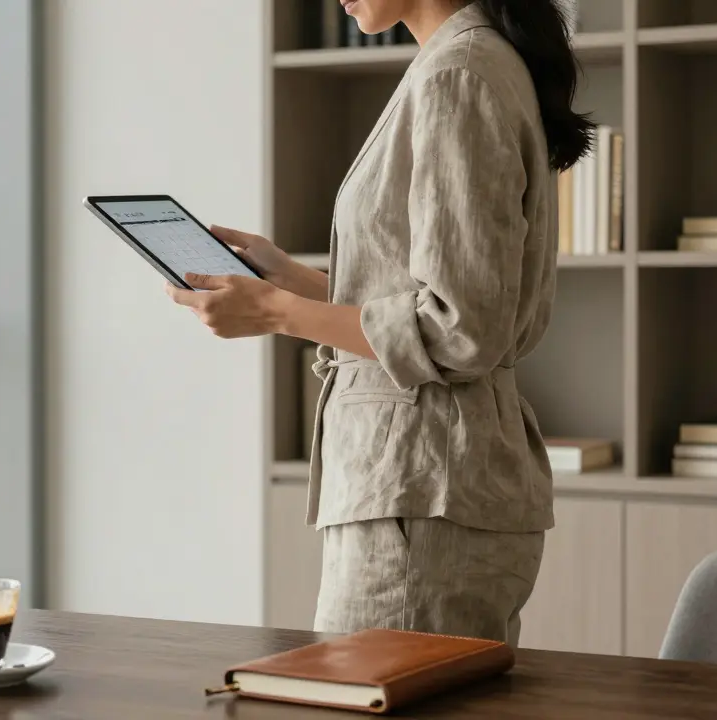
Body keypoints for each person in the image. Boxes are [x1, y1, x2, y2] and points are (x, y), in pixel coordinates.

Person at [166, 0, 593, 647]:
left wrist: (277, 312)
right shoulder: (462, 63)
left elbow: (459, 329)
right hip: (424, 491)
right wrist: (289, 278)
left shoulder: (459, 74)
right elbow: (425, 296)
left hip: (422, 491)